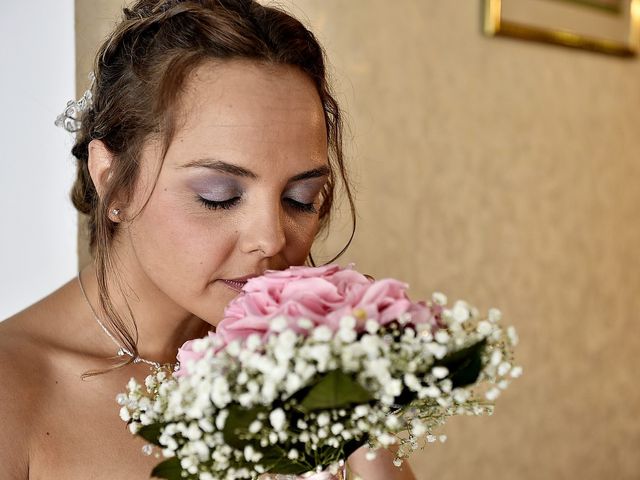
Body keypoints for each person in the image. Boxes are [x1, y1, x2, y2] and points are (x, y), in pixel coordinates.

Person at [0, 1, 416, 479]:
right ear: (112, 180)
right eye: (218, 196)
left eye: (300, 197)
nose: (270, 238)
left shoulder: (313, 368)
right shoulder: (12, 396)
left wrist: (365, 400)